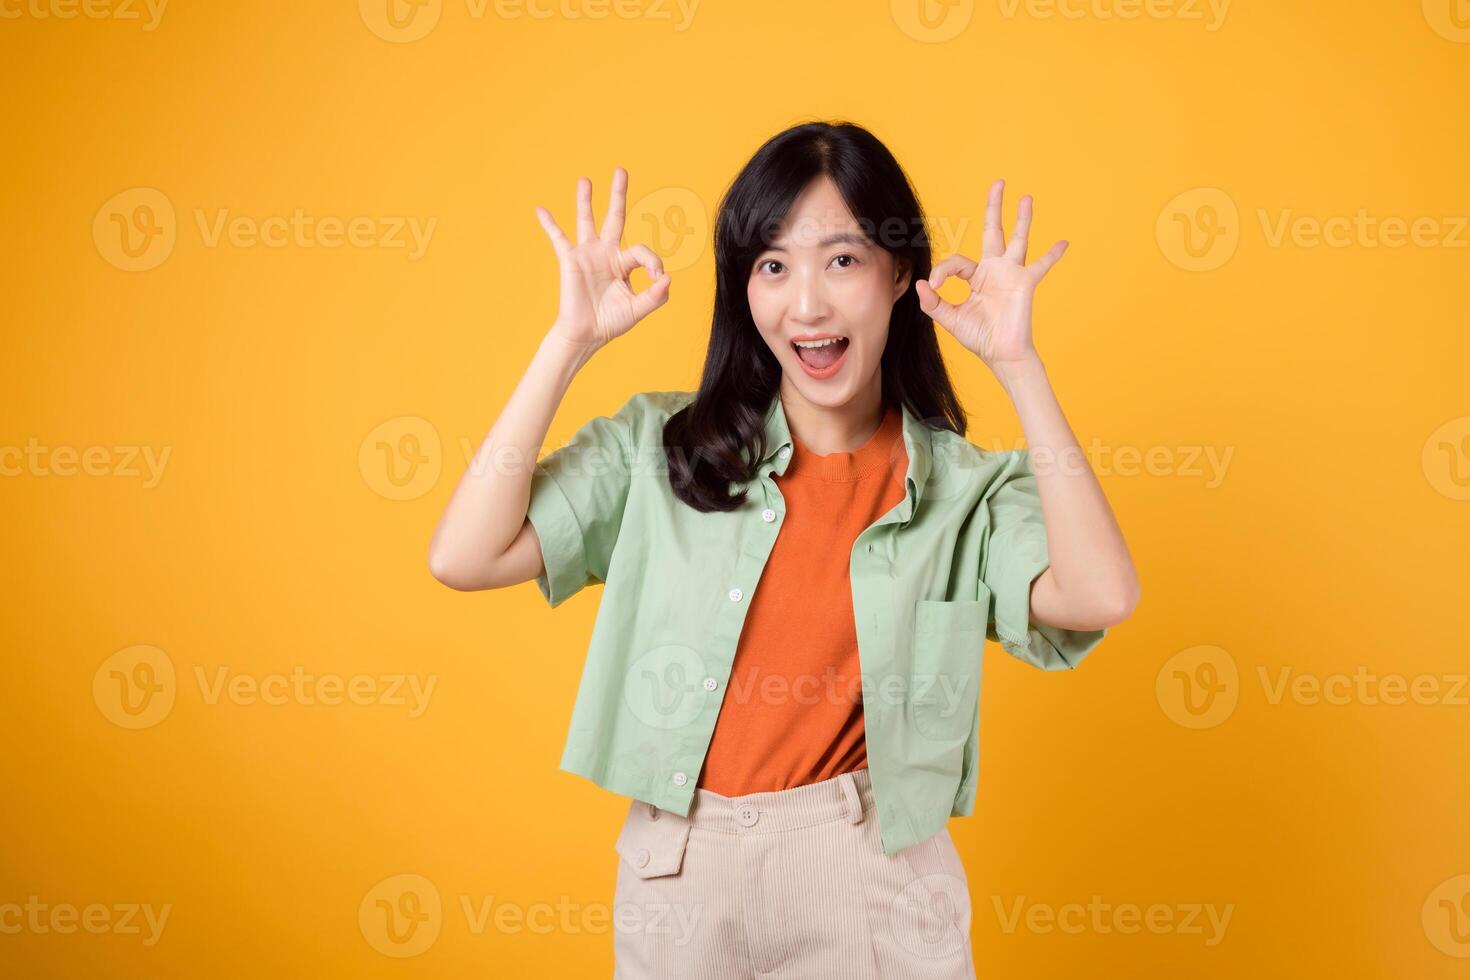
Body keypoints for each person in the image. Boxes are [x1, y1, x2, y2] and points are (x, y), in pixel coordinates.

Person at [428, 120, 1139, 979]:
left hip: (866, 877)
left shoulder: (963, 491)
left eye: (841, 259)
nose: (805, 304)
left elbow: (1100, 595)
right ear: (745, 287)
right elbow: (465, 556)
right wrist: (567, 343)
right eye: (772, 264)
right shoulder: (660, 449)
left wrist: (1019, 364)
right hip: (679, 873)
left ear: (900, 274)